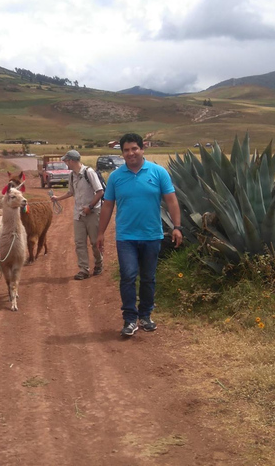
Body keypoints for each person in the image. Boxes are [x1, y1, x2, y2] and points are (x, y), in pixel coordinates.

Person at [96, 133, 183, 337]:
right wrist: (100, 233)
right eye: (126, 150)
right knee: (128, 275)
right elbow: (107, 206)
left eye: (134, 148)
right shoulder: (116, 177)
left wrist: (177, 227)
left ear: (143, 149)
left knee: (148, 278)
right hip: (126, 236)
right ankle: (129, 319)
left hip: (152, 234)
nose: (130, 153)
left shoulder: (158, 172)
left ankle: (145, 316)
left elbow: (172, 201)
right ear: (122, 153)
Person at [49, 149, 105, 280]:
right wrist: (57, 198)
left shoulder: (89, 172)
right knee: (79, 242)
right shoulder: (71, 175)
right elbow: (70, 192)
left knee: (94, 242)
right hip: (78, 214)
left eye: (66, 160)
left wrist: (90, 206)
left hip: (92, 213)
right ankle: (83, 269)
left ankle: (99, 263)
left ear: (72, 161)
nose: (65, 163)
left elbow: (100, 192)